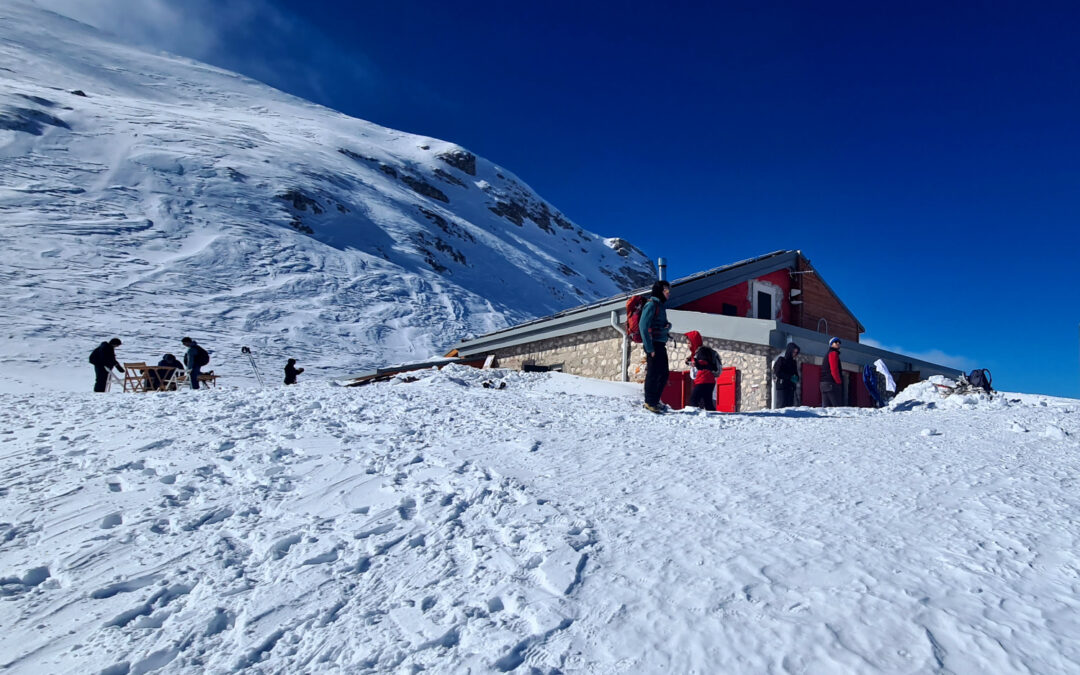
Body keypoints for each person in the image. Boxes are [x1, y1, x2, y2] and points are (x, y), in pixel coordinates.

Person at [640, 280, 672, 413]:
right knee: (654, 374)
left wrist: (667, 327)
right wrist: (649, 348)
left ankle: (654, 401)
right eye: (666, 291)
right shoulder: (651, 305)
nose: (669, 294)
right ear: (660, 291)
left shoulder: (660, 306)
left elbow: (658, 324)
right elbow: (643, 326)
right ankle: (650, 402)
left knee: (663, 374)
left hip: (660, 343)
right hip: (654, 345)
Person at [685, 330, 718, 411]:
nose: (688, 345)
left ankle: (694, 418)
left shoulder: (702, 351)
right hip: (707, 381)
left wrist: (696, 363)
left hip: (704, 380)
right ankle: (714, 419)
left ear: (694, 342)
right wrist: (690, 361)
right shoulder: (698, 351)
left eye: (689, 343)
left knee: (694, 400)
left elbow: (704, 362)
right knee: (708, 403)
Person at [773, 342, 801, 408]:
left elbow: (796, 374)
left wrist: (796, 378)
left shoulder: (794, 362)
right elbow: (777, 372)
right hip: (782, 387)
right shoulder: (781, 360)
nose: (794, 354)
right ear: (790, 351)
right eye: (793, 352)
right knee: (781, 406)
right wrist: (789, 377)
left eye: (796, 353)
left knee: (789, 407)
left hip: (791, 388)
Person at [819, 337, 844, 407]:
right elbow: (834, 369)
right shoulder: (833, 353)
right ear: (831, 344)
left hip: (824, 384)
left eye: (839, 343)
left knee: (826, 409)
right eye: (836, 342)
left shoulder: (827, 354)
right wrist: (839, 382)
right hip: (831, 384)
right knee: (837, 408)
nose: (838, 344)